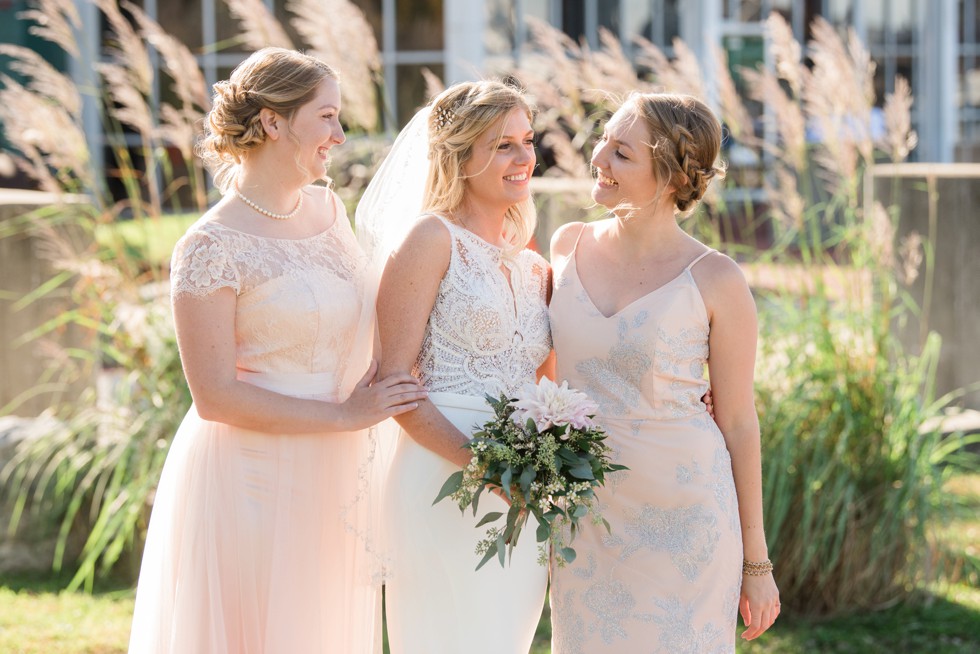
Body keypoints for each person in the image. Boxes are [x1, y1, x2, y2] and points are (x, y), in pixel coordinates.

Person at [128, 47, 426, 654]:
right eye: (326, 117)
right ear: (272, 122)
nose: (340, 136)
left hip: (337, 466)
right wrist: (344, 415)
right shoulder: (210, 245)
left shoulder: (329, 208)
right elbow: (214, 397)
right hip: (253, 472)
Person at [547, 92, 780, 653]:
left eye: (622, 152)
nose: (598, 155)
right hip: (586, 516)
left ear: (673, 177)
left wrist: (757, 563)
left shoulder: (716, 279)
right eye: (603, 138)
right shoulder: (565, 245)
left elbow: (740, 423)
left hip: (686, 524)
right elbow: (545, 376)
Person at [364, 80, 551, 654]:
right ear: (460, 156)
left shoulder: (534, 267)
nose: (524, 159)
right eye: (502, 146)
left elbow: (551, 382)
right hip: (440, 480)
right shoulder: (429, 240)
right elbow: (392, 383)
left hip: (521, 493)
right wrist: (486, 468)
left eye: (526, 140)